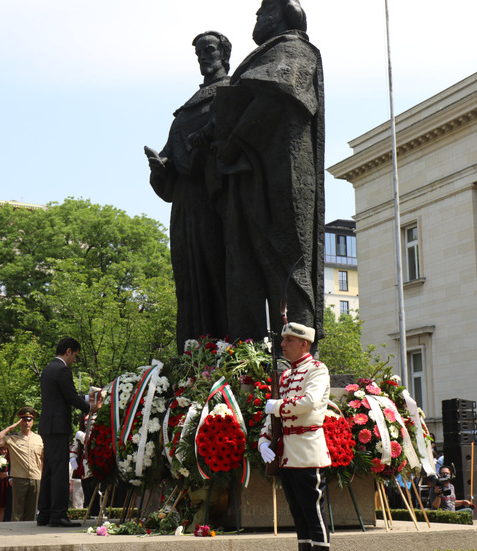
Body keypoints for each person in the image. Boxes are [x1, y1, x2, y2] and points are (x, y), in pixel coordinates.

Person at [212, 0, 325, 345]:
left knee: (287, 266)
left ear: (278, 15)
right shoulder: (266, 55)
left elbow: (272, 102)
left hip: (282, 175)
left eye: (262, 12)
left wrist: (232, 140)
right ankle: (246, 360)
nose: (257, 18)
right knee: (244, 266)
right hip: (250, 173)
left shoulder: (295, 49)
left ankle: (299, 356)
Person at [147, 31, 232, 344]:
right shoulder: (185, 111)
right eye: (198, 52)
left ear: (224, 53)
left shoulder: (231, 92)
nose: (203, 57)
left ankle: (227, 348)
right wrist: (160, 166)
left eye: (208, 49)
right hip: (185, 204)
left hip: (214, 200)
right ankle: (193, 352)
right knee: (188, 277)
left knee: (216, 271)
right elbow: (171, 151)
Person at [258, 322, 330, 551]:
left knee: (314, 515)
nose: (282, 344)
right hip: (288, 454)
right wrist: (263, 441)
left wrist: (277, 405)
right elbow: (273, 417)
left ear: (303, 344)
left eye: (288, 340)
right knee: (299, 518)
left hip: (308, 453)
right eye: (283, 339)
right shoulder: (287, 375)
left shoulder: (317, 369)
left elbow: (309, 402)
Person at [38, 338, 100, 527]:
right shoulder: (63, 370)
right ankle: (58, 515)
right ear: (68, 351)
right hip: (58, 427)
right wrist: (91, 407)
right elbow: (70, 397)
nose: (74, 360)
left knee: (49, 470)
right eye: (75, 355)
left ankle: (45, 514)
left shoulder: (48, 369)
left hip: (48, 427)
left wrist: (84, 399)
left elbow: (63, 396)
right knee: (59, 473)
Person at [0, 406, 44, 521]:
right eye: (24, 420)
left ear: (33, 422)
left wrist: (42, 476)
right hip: (19, 478)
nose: (27, 422)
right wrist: (10, 428)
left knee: (32, 511)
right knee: (17, 512)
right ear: (20, 422)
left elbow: (42, 459)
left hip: (36, 477)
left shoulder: (39, 438)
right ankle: (14, 534)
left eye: (29, 420)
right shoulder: (13, 438)